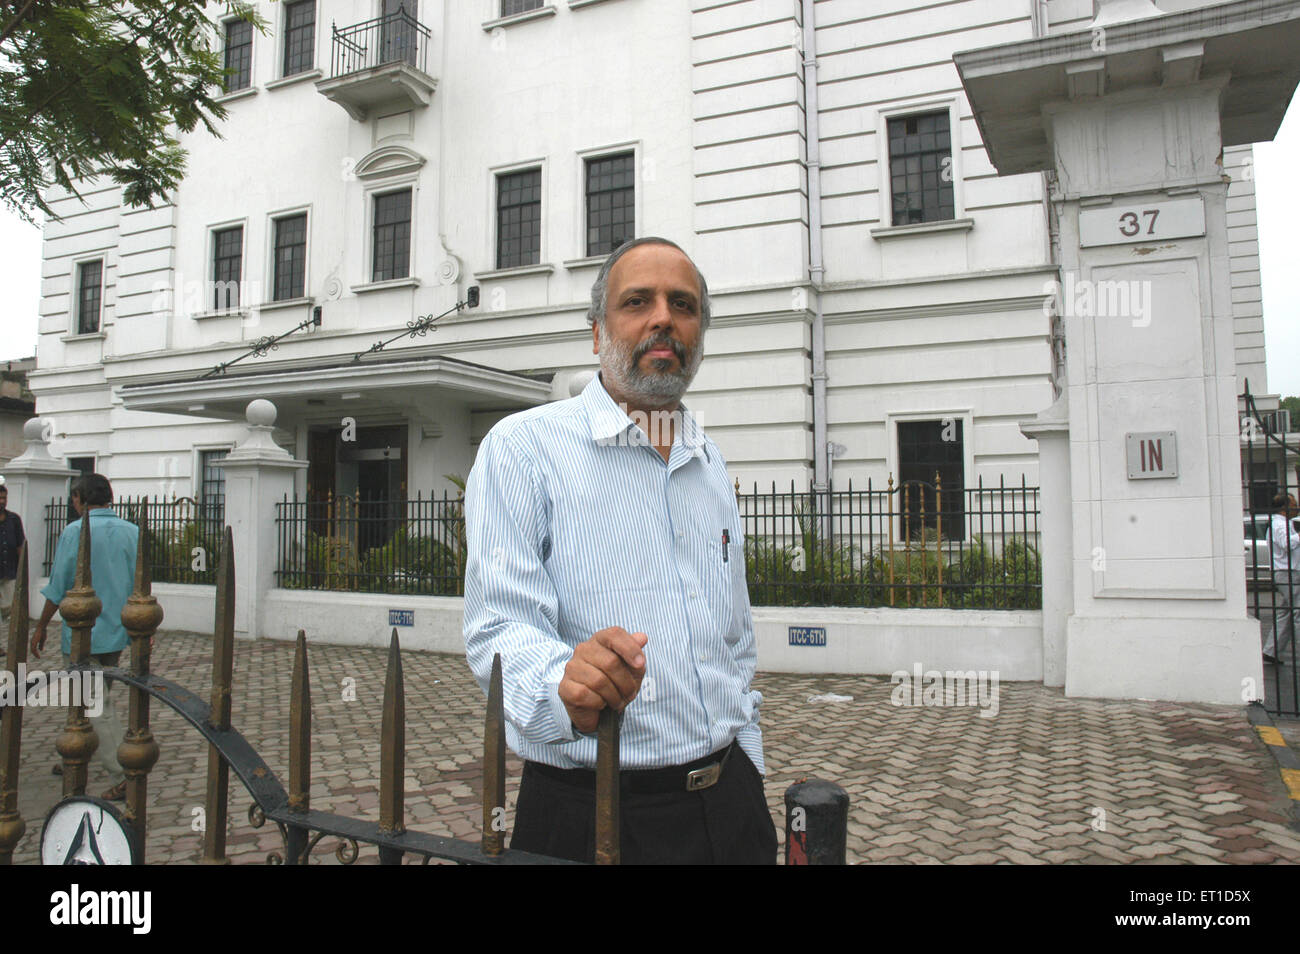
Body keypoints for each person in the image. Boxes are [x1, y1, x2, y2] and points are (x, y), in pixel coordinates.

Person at [463, 236, 777, 864]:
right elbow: (497, 629)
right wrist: (563, 683)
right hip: (591, 811)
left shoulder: (707, 459)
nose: (664, 317)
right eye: (638, 301)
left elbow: (733, 636)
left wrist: (748, 756)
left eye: (683, 305)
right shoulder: (523, 449)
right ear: (598, 331)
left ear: (700, 333)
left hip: (730, 805)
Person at [32, 474, 138, 800]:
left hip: (83, 632)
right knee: (91, 698)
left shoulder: (75, 531)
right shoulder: (131, 532)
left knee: (96, 704)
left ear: (79, 499)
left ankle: (124, 774)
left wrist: (40, 626)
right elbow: (139, 582)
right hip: (118, 630)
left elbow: (60, 583)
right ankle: (76, 757)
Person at [1263, 492, 1300, 665]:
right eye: (1293, 504)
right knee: (1298, 611)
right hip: (1288, 572)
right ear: (1284, 508)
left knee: (1285, 612)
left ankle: (1271, 650)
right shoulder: (1280, 525)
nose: (1296, 507)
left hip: (1288, 572)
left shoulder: (1284, 524)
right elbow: (1287, 544)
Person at [0, 483, 25, 656]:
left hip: (9, 570)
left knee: (8, 608)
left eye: (4, 498)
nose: (2, 501)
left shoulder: (14, 520)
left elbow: (20, 545)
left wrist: (22, 569)